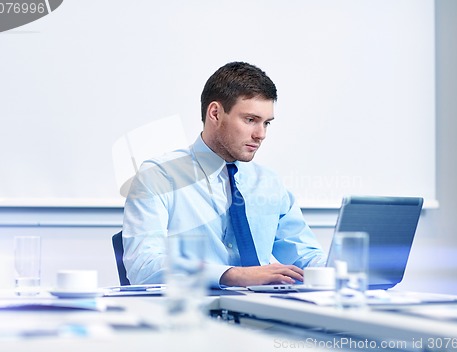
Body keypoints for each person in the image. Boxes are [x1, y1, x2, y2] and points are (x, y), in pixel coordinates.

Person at [122, 61, 326, 288]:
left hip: (264, 312)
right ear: (215, 113)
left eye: (266, 123)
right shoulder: (160, 177)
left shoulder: (268, 183)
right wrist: (232, 275)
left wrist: (352, 268)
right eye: (250, 120)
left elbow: (305, 256)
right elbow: (143, 265)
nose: (261, 135)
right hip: (192, 313)